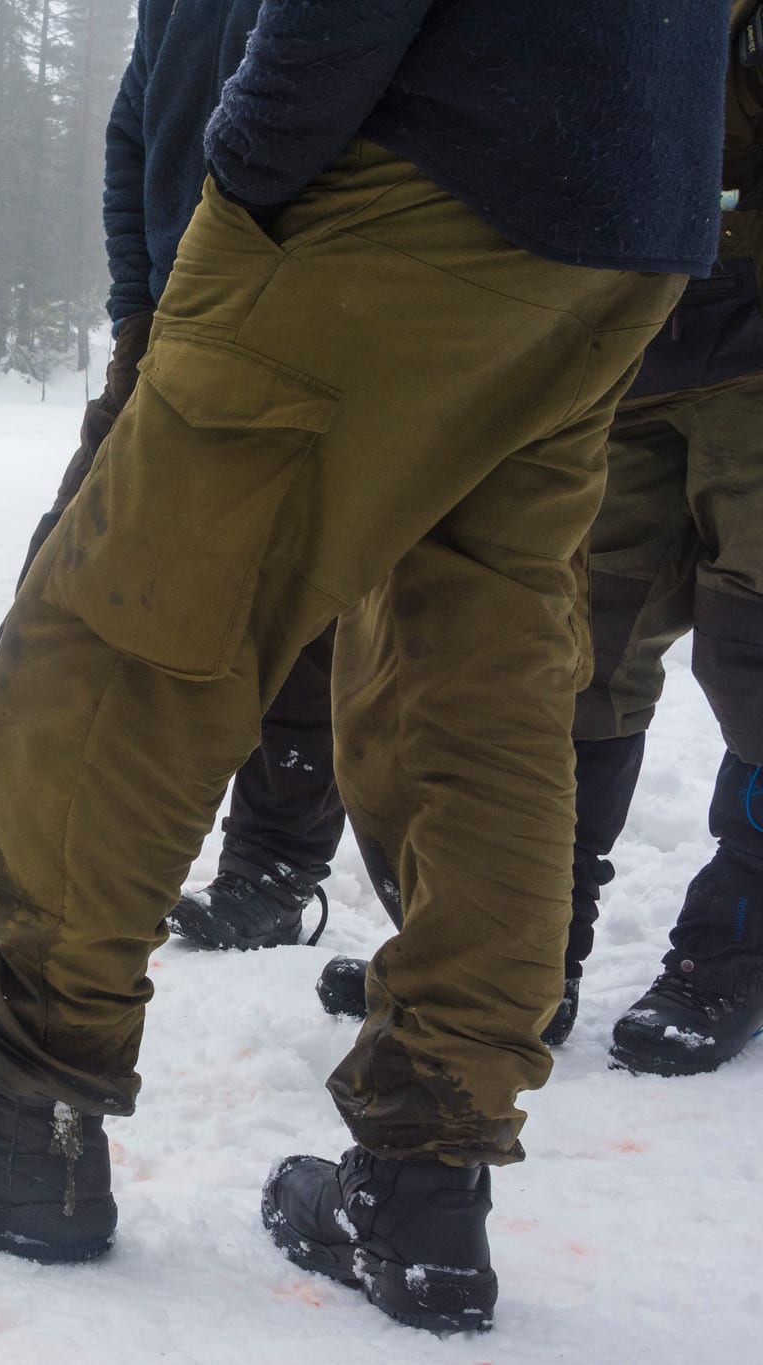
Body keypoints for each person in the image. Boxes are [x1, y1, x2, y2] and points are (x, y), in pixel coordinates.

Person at [0, 0, 722, 1336]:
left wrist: (251, 168)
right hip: (627, 210)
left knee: (116, 645)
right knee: (478, 686)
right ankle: (425, 1186)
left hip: (406, 180)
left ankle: (22, 1117)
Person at [0, 0, 344, 954]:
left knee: (303, 593)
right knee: (66, 549)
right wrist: (138, 299)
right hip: (175, 311)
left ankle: (276, 866)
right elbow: (136, 119)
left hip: (306, 311)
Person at [315, 4, 763, 1077]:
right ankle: (517, 951)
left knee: (754, 661)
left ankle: (731, 950)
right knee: (570, 665)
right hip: (629, 346)